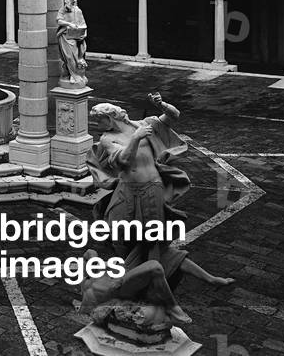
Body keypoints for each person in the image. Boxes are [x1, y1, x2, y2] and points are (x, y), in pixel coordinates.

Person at [87, 95, 235, 284]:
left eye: (98, 120)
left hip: (151, 189)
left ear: (111, 117)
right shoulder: (108, 139)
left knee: (152, 242)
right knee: (114, 230)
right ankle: (131, 270)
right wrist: (136, 138)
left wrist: (161, 105)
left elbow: (173, 115)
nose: (97, 125)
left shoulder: (146, 123)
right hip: (126, 191)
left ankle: (143, 276)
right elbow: (123, 160)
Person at [56, 0, 88, 87]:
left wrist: (83, 34)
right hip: (65, 36)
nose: (65, 1)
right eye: (65, 0)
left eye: (67, 0)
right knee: (69, 57)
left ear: (72, 1)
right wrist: (69, 24)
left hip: (76, 36)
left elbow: (83, 24)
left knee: (77, 55)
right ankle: (72, 75)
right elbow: (59, 21)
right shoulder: (63, 10)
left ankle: (78, 74)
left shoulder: (78, 11)